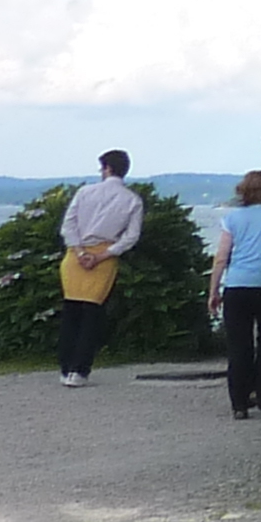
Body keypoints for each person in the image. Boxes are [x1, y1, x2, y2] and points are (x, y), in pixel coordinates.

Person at [57, 150, 147, 387]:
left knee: (71, 312)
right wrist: (103, 255)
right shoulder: (132, 200)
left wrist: (79, 251)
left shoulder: (85, 192)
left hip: (76, 255)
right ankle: (80, 370)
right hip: (104, 257)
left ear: (107, 168)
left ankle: (66, 367)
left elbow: (69, 224)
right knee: (91, 315)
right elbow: (131, 237)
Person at [211, 171, 261, 419]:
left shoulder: (232, 218)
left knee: (239, 344)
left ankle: (239, 403)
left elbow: (222, 256)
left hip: (237, 286)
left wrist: (214, 289)